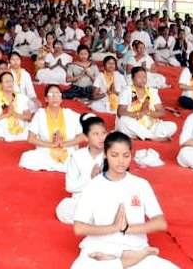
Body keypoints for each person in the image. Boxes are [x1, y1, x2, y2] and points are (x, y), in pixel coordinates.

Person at [70, 132, 176, 268]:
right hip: (100, 247)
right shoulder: (93, 186)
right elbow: (79, 228)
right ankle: (122, 262)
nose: (121, 161)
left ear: (131, 154)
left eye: (126, 155)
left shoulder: (141, 184)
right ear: (105, 154)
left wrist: (127, 228)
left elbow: (160, 223)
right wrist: (113, 228)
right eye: (115, 155)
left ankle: (121, 261)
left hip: (135, 248)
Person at [56, 115, 108, 225]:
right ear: (86, 137)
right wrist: (90, 178)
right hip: (82, 201)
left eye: (103, 133)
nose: (101, 138)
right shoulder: (77, 157)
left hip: (106, 200)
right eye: (96, 134)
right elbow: (70, 187)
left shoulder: (112, 155)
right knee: (63, 208)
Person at [19, 86, 85, 172]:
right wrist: (52, 145)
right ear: (46, 99)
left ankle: (55, 166)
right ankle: (63, 166)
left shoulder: (70, 114)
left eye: (58, 94)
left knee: (82, 159)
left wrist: (65, 144)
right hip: (46, 149)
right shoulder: (40, 114)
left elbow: (82, 136)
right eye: (51, 94)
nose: (55, 97)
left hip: (67, 149)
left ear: (61, 99)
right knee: (26, 158)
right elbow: (31, 139)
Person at [115, 68, 177, 142]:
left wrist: (147, 112)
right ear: (132, 79)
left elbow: (161, 112)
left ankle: (143, 135)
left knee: (173, 126)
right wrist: (140, 113)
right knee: (123, 121)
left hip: (151, 124)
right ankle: (153, 138)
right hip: (134, 123)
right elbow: (120, 113)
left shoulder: (152, 92)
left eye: (144, 77)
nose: (142, 79)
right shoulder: (126, 91)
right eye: (139, 77)